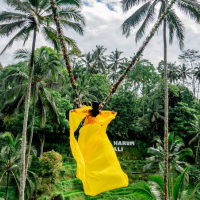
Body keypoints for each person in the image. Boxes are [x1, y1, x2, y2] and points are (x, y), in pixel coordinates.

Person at [69, 102, 128, 196]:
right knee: (94, 149)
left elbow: (81, 112)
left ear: (92, 106)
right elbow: (106, 114)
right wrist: (112, 113)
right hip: (96, 130)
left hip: (89, 130)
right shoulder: (98, 112)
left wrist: (74, 111)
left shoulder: (89, 111)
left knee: (87, 149)